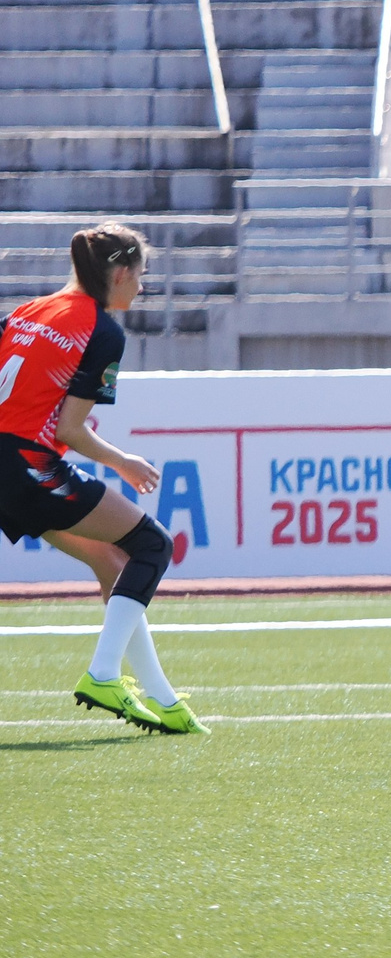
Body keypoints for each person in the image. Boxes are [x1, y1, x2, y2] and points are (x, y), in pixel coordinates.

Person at [0, 223, 207, 734]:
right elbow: (71, 428)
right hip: (28, 465)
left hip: (10, 460)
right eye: (140, 275)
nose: (141, 287)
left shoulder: (26, 312)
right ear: (118, 273)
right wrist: (124, 463)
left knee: (112, 560)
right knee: (152, 546)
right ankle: (103, 673)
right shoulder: (102, 329)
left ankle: (164, 701)